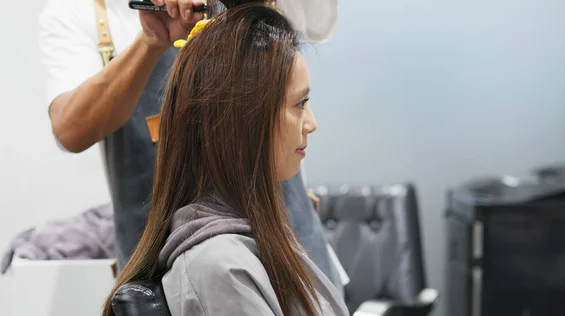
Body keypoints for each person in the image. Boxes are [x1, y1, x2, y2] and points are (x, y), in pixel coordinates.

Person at [38, 0, 342, 290]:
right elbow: (70, 129)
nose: (310, 124)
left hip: (288, 244)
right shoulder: (76, 13)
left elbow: (318, 20)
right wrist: (150, 40)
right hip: (167, 270)